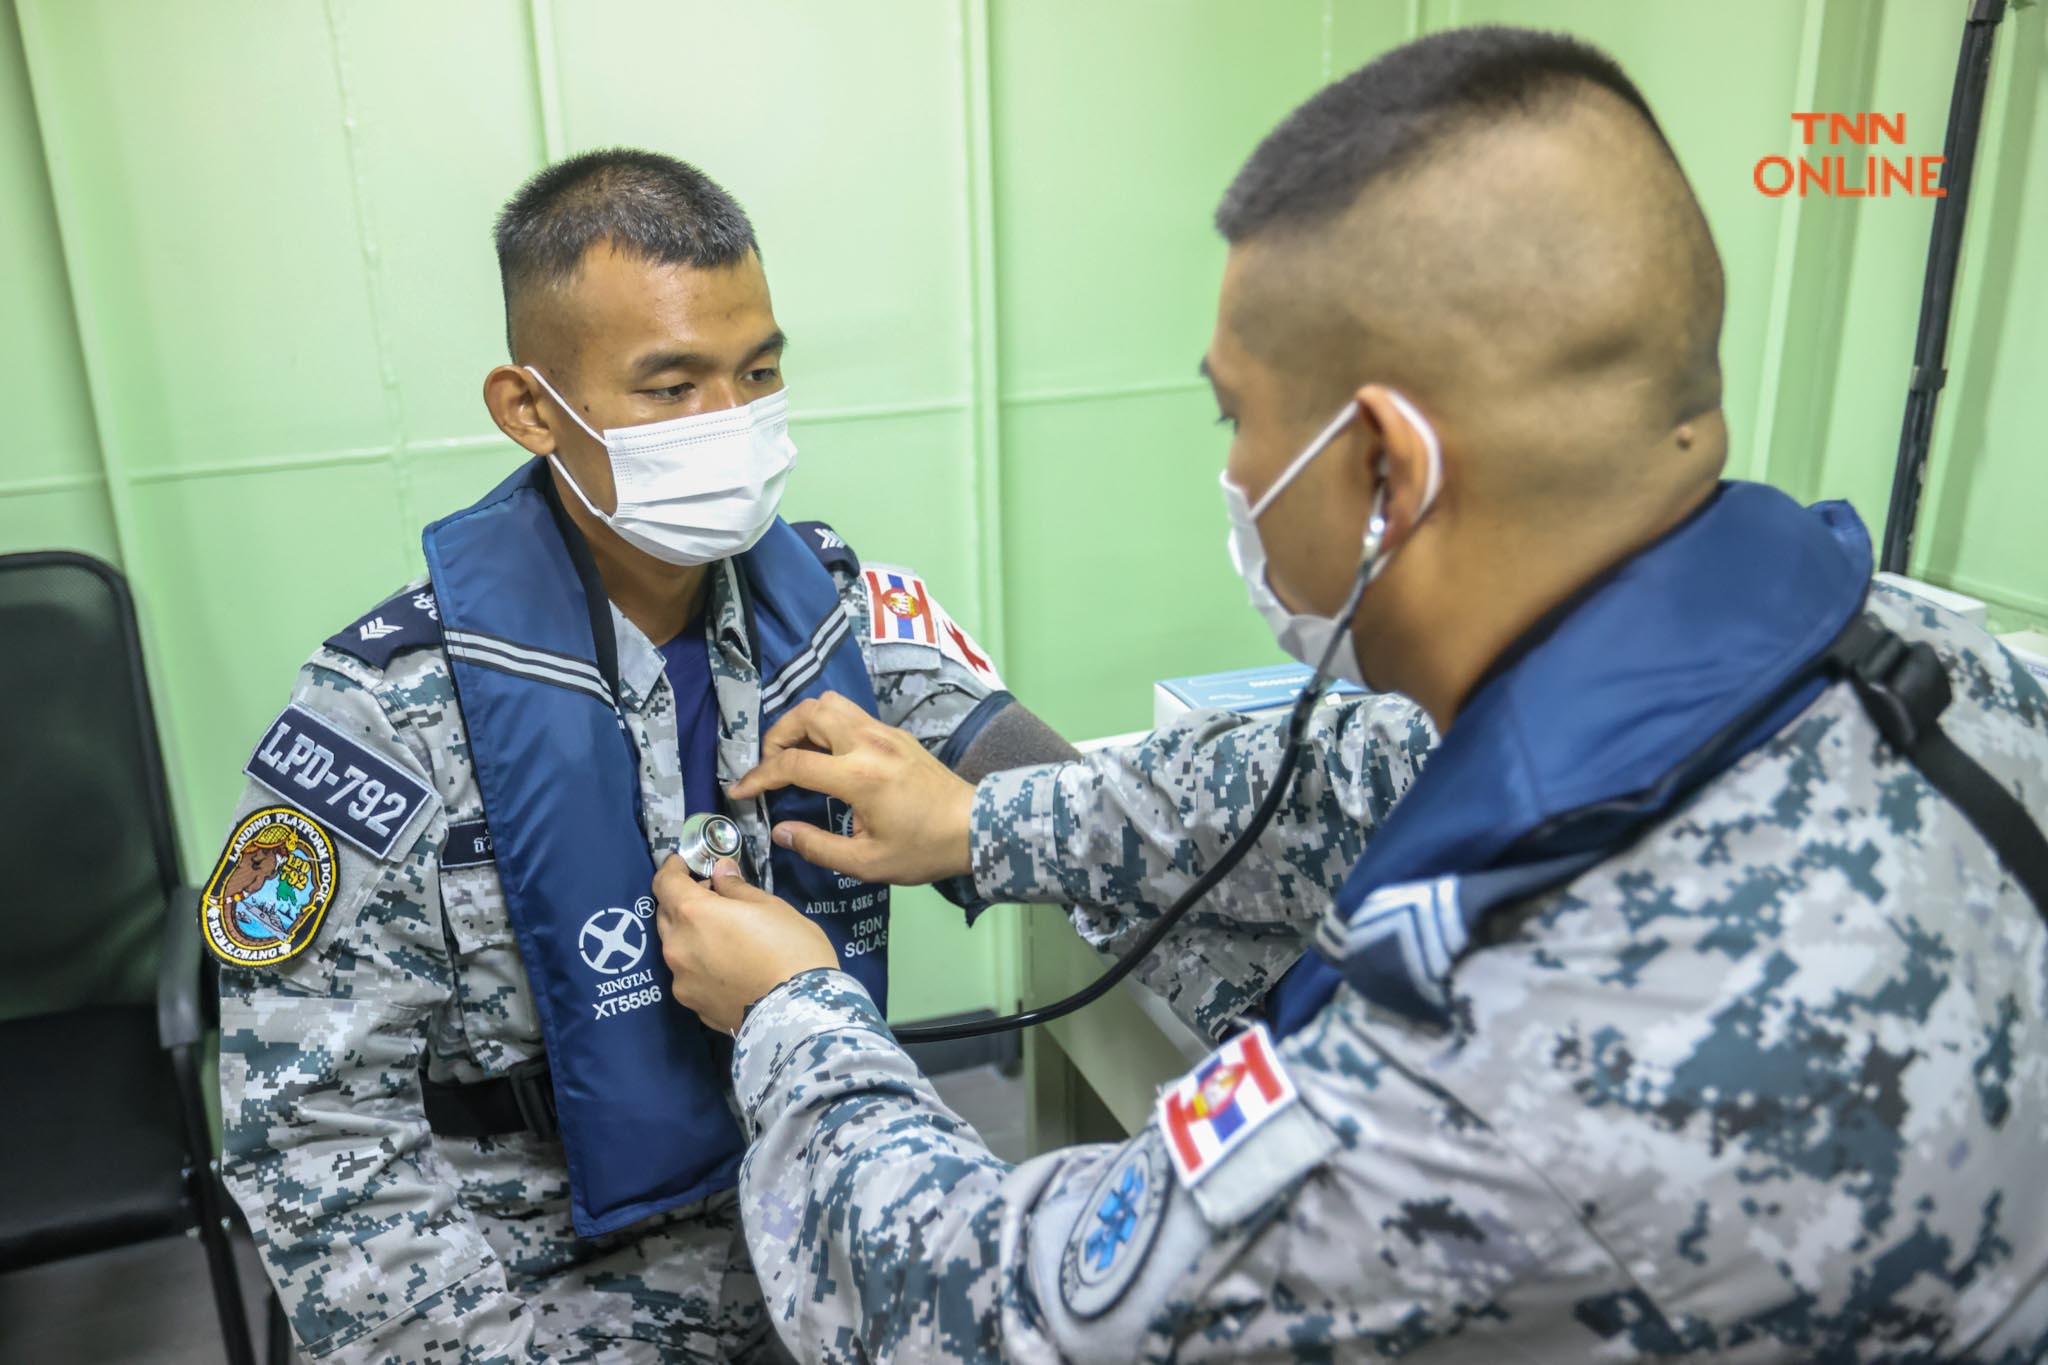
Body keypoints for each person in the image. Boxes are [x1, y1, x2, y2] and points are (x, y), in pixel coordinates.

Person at [652, 27, 2048, 1363]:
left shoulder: (1503, 1075)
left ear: (1383, 464)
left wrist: (796, 1015)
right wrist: (988, 823)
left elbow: (986, 1316)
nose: (1239, 473)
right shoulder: (1918, 652)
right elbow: (1361, 770)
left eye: (1235, 416)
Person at [207, 149, 1070, 1364]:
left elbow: (1060, 808)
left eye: (757, 372)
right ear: (529, 408)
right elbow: (309, 1133)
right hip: (535, 1271)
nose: (732, 424)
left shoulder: (840, 626)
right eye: (670, 387)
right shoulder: (379, 717)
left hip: (830, 1191)